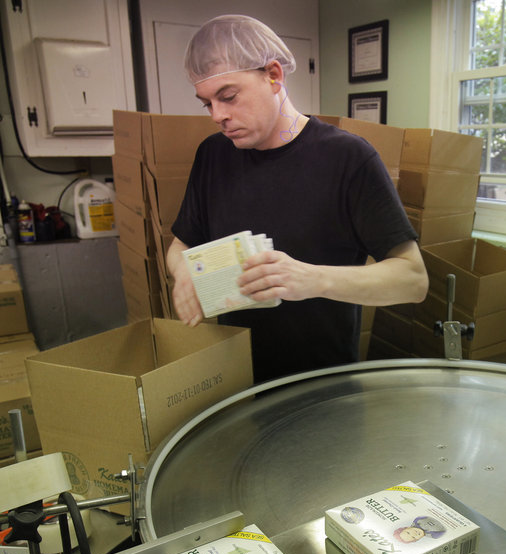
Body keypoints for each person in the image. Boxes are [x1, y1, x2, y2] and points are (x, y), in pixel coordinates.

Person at [167, 14, 428, 383]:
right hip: (236, 379)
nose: (218, 116)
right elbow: (181, 244)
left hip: (320, 389)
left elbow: (413, 280)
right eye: (206, 103)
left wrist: (313, 279)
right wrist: (183, 274)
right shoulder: (213, 155)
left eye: (228, 96)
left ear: (274, 75)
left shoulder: (347, 158)